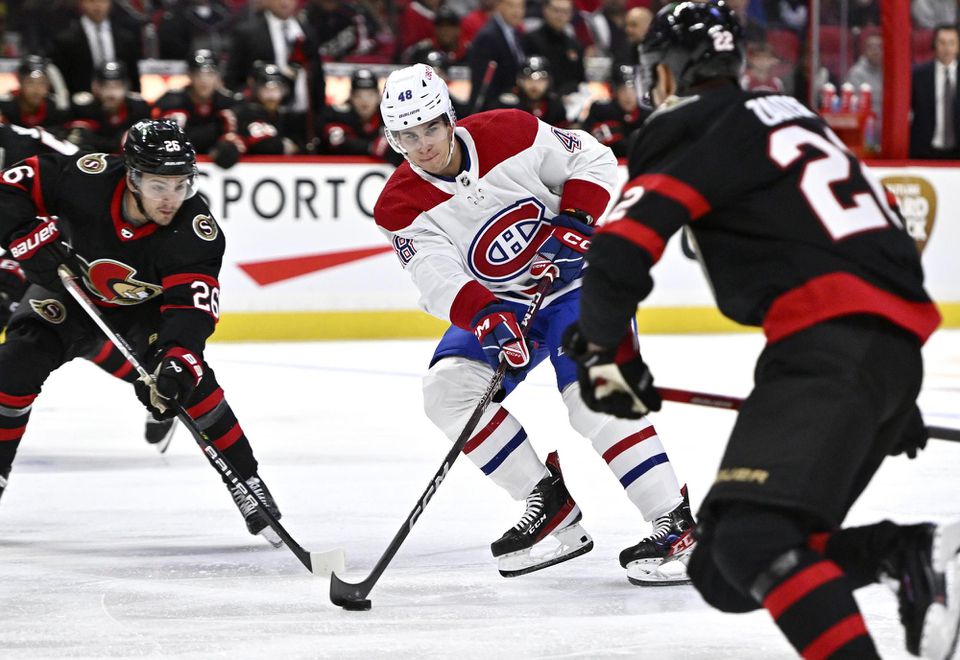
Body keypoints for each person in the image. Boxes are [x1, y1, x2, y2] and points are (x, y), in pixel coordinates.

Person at [564, 2, 960, 657]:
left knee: (753, 543)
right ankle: (905, 552)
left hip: (831, 350)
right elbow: (878, 237)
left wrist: (605, 351)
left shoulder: (690, 124)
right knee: (724, 568)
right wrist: (886, 389)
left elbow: (617, 250)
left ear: (671, 72)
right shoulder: (794, 114)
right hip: (879, 351)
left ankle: (911, 553)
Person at [375, 63, 695, 584]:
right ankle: (549, 507)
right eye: (406, 135)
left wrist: (574, 221)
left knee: (593, 397)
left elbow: (592, 157)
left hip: (578, 282)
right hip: (503, 300)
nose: (422, 144)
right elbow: (436, 277)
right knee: (448, 391)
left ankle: (676, 524)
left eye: (430, 127)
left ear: (448, 117)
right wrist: (487, 316)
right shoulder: (400, 206)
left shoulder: (511, 132)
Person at [0, 119, 283, 545]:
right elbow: (9, 188)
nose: (170, 200)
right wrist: (22, 236)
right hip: (69, 291)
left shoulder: (195, 232)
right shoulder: (87, 176)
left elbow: (190, 310)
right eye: (157, 186)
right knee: (13, 368)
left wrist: (178, 358)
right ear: (131, 176)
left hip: (141, 315)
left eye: (180, 185)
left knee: (191, 384)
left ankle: (248, 482)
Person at [0, 121, 179, 451]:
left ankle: (161, 388)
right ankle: (154, 384)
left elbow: (85, 174)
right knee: (81, 339)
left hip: (37, 251)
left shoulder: (23, 140)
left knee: (37, 331)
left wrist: (34, 235)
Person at [152, 49, 240, 156]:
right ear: (190, 75)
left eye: (210, 74)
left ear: (217, 76)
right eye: (198, 74)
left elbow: (238, 142)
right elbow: (168, 143)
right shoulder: (172, 101)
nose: (204, 81)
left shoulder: (229, 103)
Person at [48, 0, 142, 95]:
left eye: (102, 1)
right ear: (81, 3)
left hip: (119, 100)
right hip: (80, 101)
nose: (98, 5)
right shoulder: (65, 41)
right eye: (92, 1)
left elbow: (133, 75)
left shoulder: (126, 38)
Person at [316, 68, 402, 165]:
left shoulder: (390, 117)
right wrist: (370, 147)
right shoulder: (335, 115)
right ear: (351, 96)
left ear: (378, 96)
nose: (364, 101)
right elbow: (336, 141)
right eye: (359, 96)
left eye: (370, 95)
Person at [66, 61, 151, 154]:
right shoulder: (83, 109)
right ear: (95, 87)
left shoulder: (139, 108)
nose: (111, 93)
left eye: (117, 86)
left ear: (127, 87)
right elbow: (79, 143)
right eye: (105, 86)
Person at [910, 24, 960, 160]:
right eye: (942, 42)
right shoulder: (918, 75)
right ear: (934, 45)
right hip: (925, 151)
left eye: (952, 43)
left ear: (958, 46)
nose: (947, 48)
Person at [583, 63, 646, 156]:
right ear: (615, 92)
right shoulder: (602, 112)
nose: (628, 95)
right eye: (623, 89)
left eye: (633, 89)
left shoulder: (648, 115)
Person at [0, 55, 71, 132]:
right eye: (30, 83)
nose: (36, 89)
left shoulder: (54, 110)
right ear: (21, 84)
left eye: (42, 83)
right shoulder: (6, 107)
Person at [494, 55, 568, 126]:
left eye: (541, 80)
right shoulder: (507, 105)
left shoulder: (555, 106)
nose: (534, 84)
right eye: (528, 79)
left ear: (549, 82)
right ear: (519, 80)